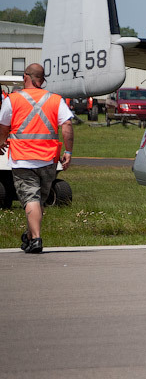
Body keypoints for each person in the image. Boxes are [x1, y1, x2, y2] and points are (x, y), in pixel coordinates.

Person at [0, 64, 74, 254]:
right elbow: (66, 125)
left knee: (30, 198)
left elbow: (3, 125)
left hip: (22, 158)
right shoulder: (56, 100)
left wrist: (1, 141)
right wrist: (69, 151)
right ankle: (30, 235)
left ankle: (36, 239)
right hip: (48, 159)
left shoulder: (13, 99)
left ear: (26, 77)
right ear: (42, 79)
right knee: (37, 200)